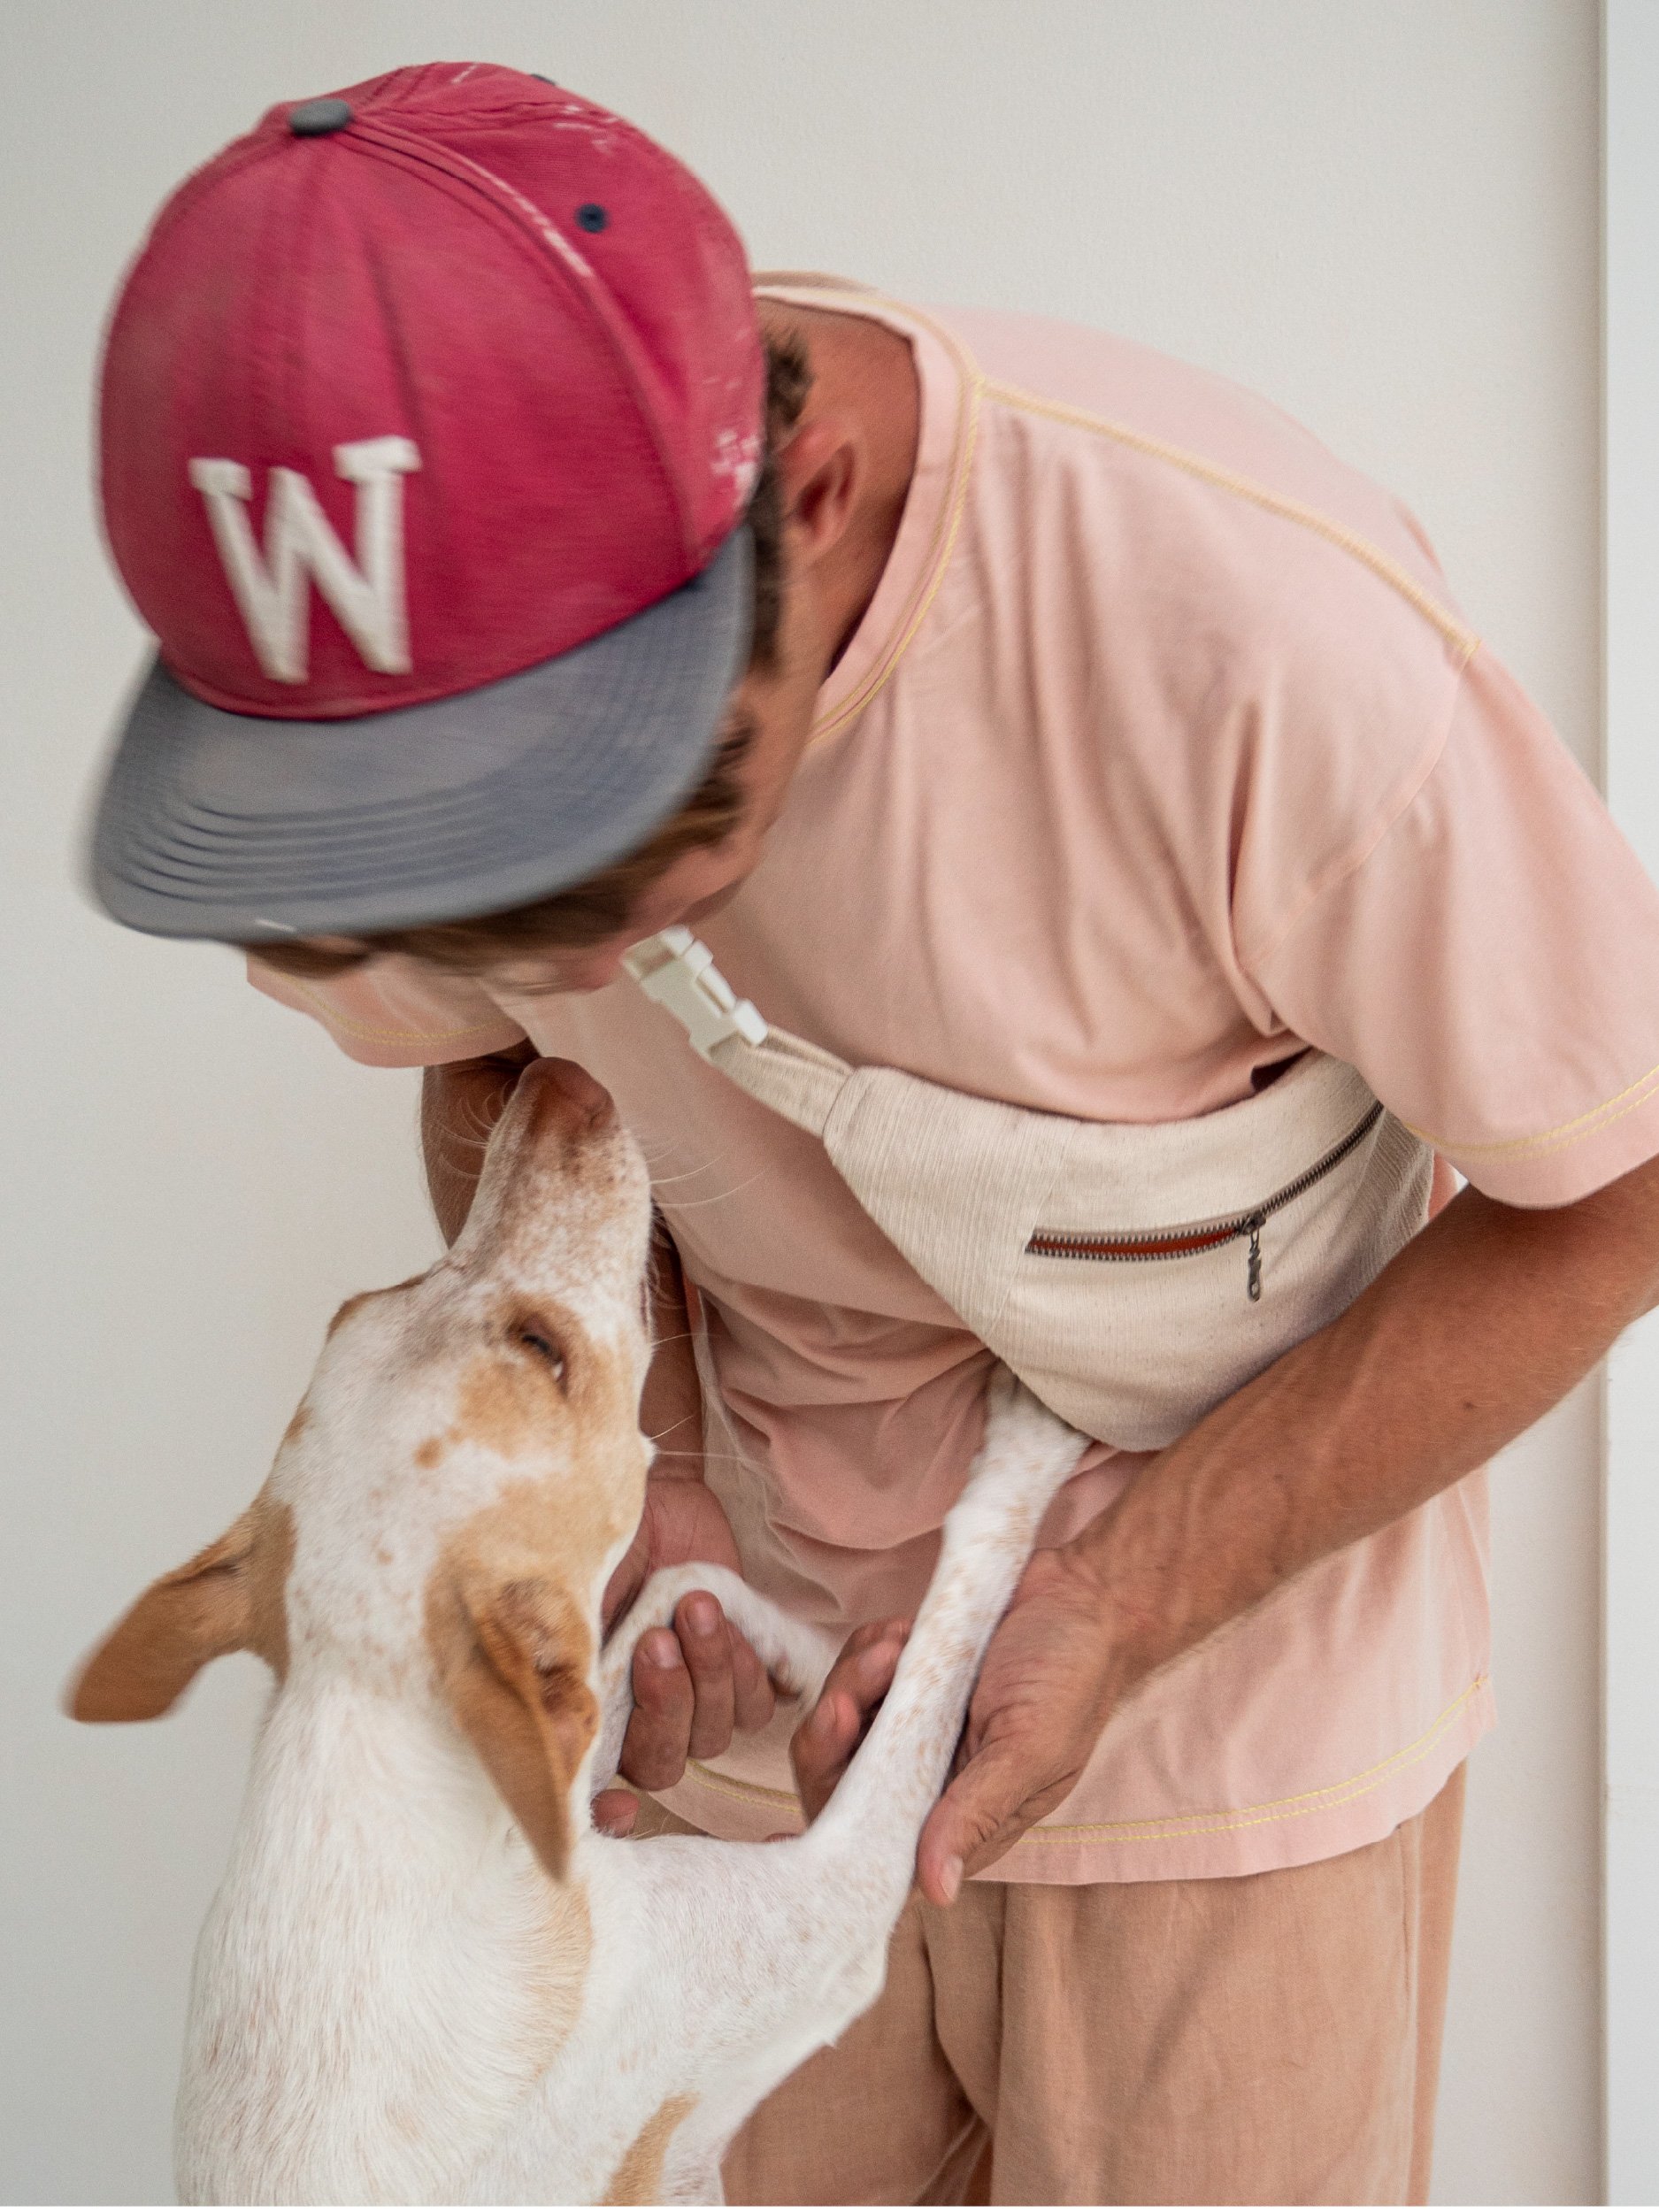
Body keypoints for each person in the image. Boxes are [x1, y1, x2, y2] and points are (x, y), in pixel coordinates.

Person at [88, 62, 1659, 2207]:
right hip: (745, 1756)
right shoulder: (419, 737)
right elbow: (487, 1069)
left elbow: (1624, 1173)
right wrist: (641, 1480)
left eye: (600, 837)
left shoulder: (1263, 646)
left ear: (808, 501)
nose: (570, 955)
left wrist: (1132, 1591)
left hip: (1218, 1732)